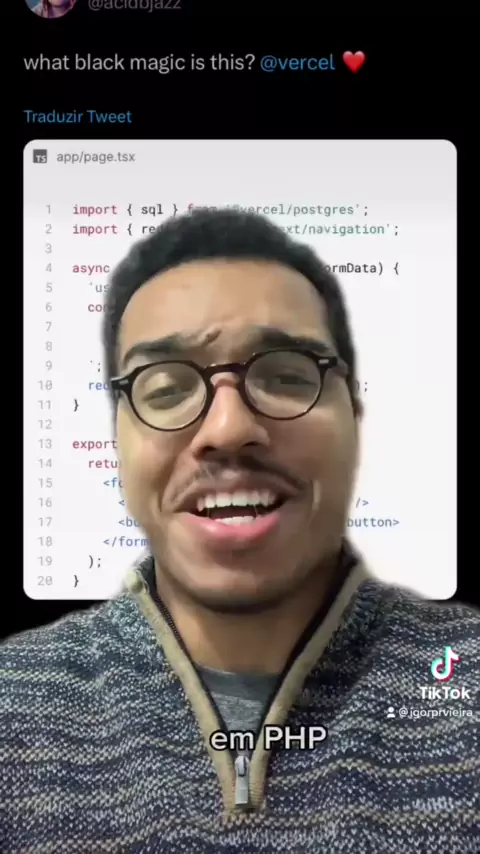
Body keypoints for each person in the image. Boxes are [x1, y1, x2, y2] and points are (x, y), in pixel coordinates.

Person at [1, 209, 478, 852]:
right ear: (116, 439)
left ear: (356, 415)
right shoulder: (14, 702)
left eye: (286, 376)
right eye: (164, 389)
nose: (227, 429)